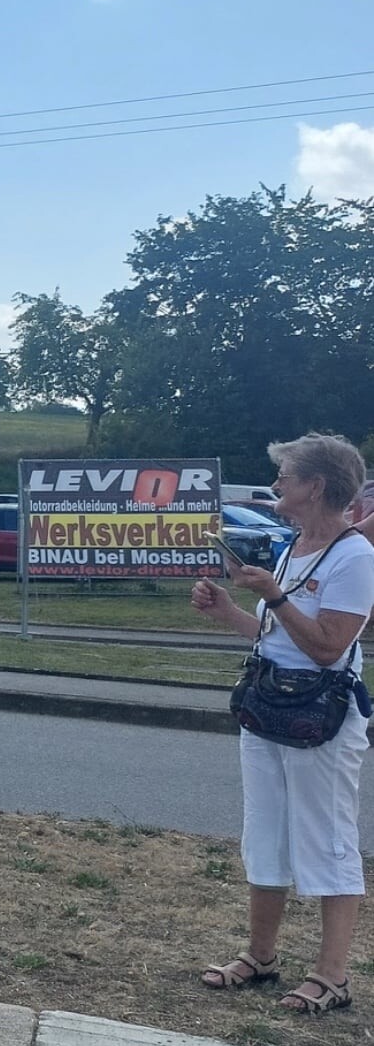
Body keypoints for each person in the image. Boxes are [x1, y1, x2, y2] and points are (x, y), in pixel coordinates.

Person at [192, 433, 374, 1014]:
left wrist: (273, 595)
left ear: (315, 487)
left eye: (285, 476)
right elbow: (278, 638)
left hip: (322, 719)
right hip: (268, 706)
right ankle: (261, 957)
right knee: (264, 832)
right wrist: (230, 614)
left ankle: (333, 976)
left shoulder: (355, 557)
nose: (276, 485)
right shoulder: (295, 545)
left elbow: (326, 648)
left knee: (327, 839)